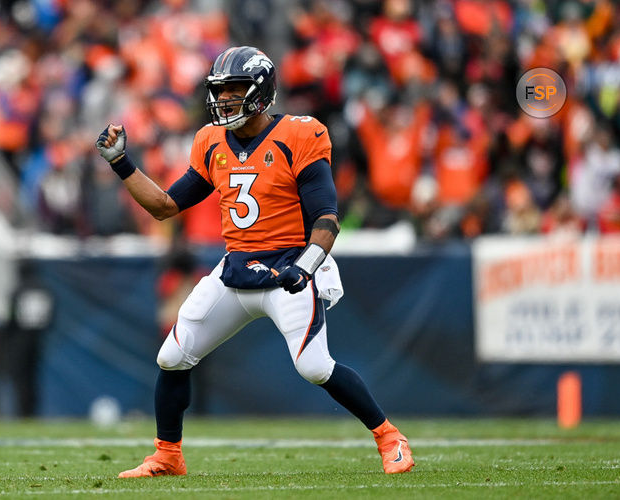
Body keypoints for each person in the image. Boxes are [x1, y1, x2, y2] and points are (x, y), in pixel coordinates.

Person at [96, 46, 414, 477]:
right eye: (220, 90)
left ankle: (389, 437)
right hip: (238, 269)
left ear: (261, 91)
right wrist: (121, 163)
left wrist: (305, 267)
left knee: (314, 367)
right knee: (172, 357)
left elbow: (327, 219)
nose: (225, 99)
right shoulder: (210, 140)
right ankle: (167, 455)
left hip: (290, 269)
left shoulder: (300, 135)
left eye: (235, 89)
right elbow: (166, 206)